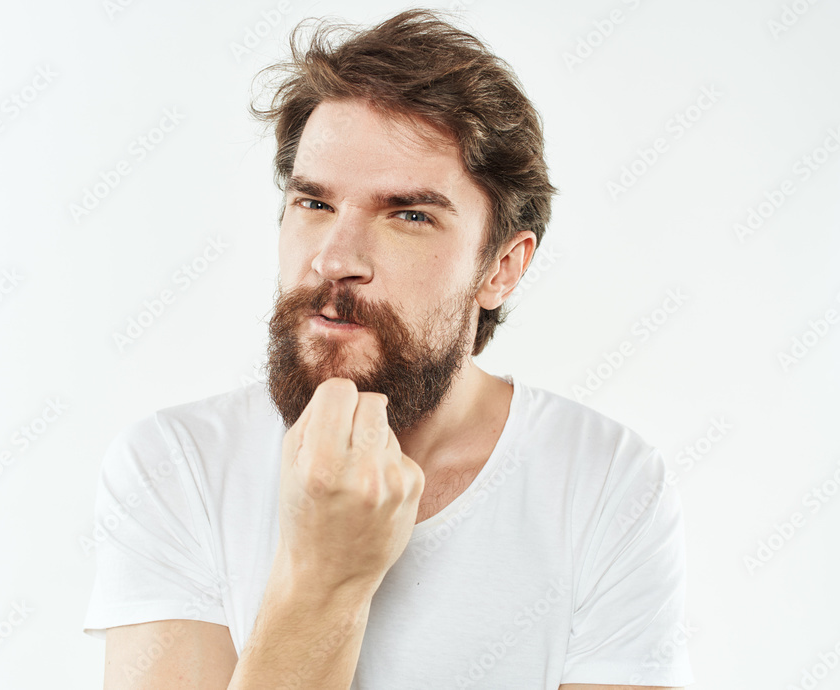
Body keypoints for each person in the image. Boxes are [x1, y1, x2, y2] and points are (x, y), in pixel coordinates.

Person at [82, 8, 694, 689]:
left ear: (502, 268)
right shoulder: (176, 467)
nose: (335, 259)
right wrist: (325, 581)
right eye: (313, 203)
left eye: (408, 215)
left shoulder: (608, 483)